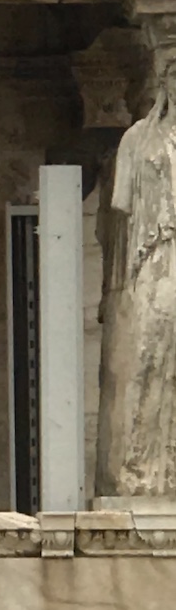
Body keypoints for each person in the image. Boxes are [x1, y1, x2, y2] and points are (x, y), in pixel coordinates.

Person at [111, 59, 176, 495]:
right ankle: (144, 472)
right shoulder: (136, 138)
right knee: (149, 354)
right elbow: (122, 204)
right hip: (157, 254)